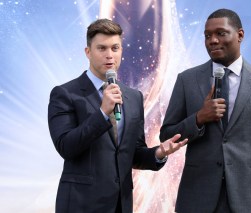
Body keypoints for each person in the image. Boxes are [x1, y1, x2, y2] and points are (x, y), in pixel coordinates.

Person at [48, 19, 187, 213]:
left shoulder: (133, 97)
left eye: (115, 48)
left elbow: (133, 153)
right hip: (81, 204)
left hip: (121, 204)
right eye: (102, 48)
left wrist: (158, 153)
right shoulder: (65, 94)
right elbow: (66, 147)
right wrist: (102, 113)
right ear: (88, 52)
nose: (109, 55)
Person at [160, 8, 251, 213]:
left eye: (220, 33)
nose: (212, 40)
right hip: (197, 200)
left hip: (249, 200)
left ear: (240, 35)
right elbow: (167, 135)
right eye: (207, 35)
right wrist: (198, 118)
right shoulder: (187, 80)